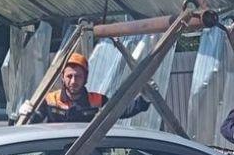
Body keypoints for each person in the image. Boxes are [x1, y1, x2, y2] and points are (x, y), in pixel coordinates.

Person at [19, 51, 151, 124]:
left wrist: (144, 100)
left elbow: (122, 110)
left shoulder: (97, 100)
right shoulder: (50, 100)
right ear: (62, 77)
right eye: (69, 76)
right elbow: (29, 126)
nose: (73, 81)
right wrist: (22, 115)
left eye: (78, 76)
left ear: (86, 78)